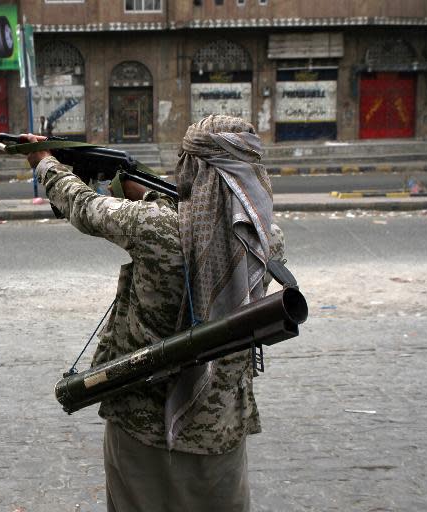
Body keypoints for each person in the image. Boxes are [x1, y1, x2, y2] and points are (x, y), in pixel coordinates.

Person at [23, 114, 283, 512]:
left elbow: (85, 206)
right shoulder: (268, 243)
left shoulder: (156, 229)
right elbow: (205, 221)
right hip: (219, 432)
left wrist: (44, 161)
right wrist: (143, 192)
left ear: (191, 167)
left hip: (140, 429)